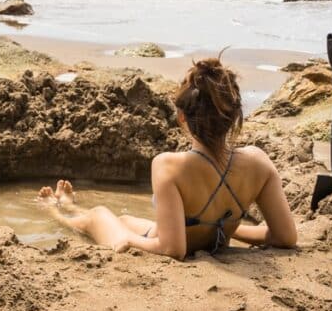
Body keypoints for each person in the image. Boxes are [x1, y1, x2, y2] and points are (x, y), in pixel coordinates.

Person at [39, 55, 297, 260]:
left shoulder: (169, 165)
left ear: (182, 117)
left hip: (169, 240)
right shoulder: (258, 161)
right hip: (205, 237)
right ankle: (72, 207)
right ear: (233, 116)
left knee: (99, 215)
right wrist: (228, 227)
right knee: (125, 220)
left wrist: (128, 240)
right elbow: (286, 237)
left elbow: (173, 249)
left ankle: (57, 212)